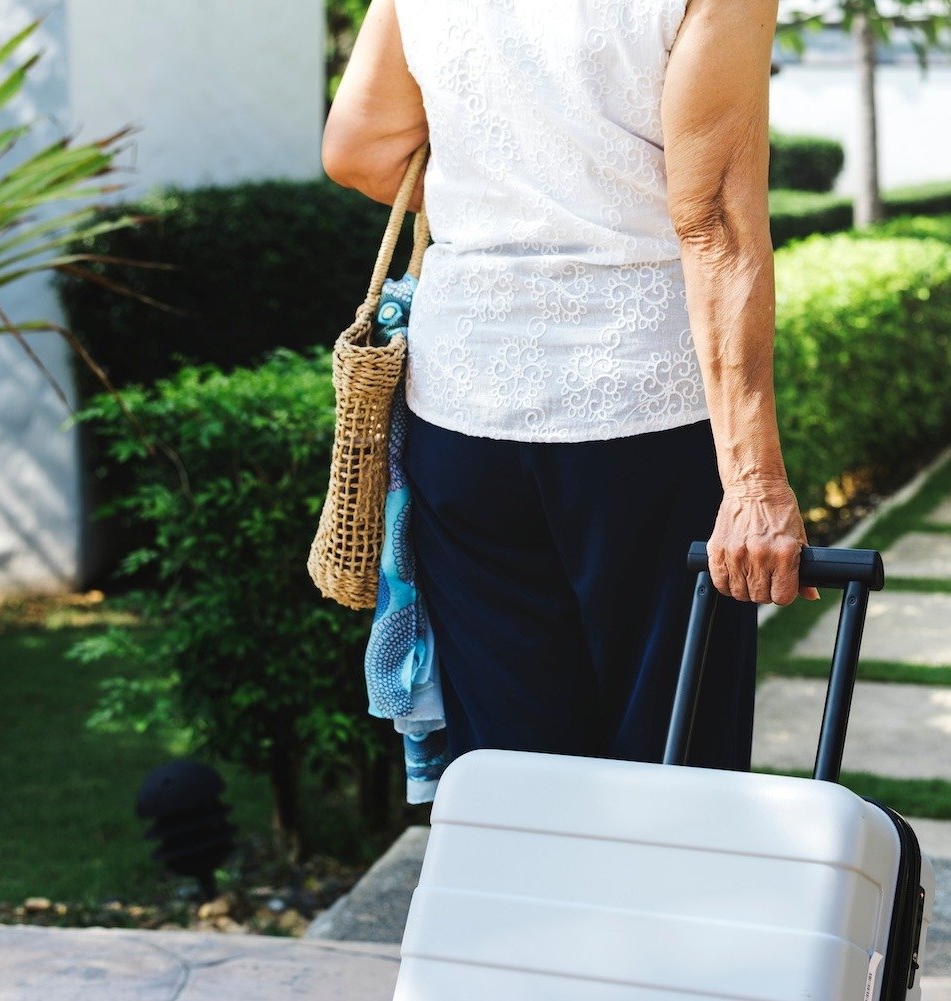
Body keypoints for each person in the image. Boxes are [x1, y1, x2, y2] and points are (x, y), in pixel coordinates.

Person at [321, 0, 816, 777]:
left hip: (463, 410)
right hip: (643, 415)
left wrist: (512, 191)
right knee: (674, 772)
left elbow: (361, 147)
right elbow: (714, 215)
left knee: (515, 782)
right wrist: (754, 483)